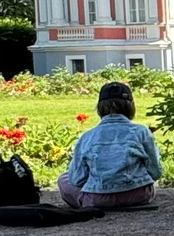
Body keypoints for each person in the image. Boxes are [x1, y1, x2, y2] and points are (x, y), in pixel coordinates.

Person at [58, 80, 163, 209]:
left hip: (98, 199)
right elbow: (155, 172)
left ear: (99, 108)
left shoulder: (87, 136)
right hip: (138, 194)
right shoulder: (142, 132)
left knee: (63, 179)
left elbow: (77, 179)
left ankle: (87, 201)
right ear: (131, 107)